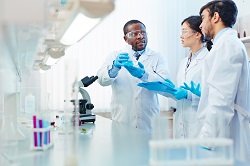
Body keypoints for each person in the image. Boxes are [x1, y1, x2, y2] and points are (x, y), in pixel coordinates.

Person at [191, 0, 250, 162]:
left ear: (215, 17)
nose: (201, 25)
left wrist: (206, 141)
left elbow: (221, 101)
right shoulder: (222, 45)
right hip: (222, 133)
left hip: (228, 135)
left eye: (203, 18)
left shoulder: (227, 45)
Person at [138, 16, 210, 138]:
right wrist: (164, 89)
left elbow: (213, 96)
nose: (181, 36)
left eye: (184, 31)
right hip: (181, 122)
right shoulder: (184, 62)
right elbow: (179, 93)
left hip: (200, 124)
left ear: (198, 34)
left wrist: (189, 95)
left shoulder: (209, 59)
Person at [97, 20, 170, 132]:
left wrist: (143, 75)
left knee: (146, 148)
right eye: (134, 34)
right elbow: (102, 80)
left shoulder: (157, 57)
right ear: (125, 39)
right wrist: (114, 68)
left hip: (148, 122)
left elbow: (165, 86)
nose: (140, 36)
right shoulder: (115, 56)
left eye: (143, 33)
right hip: (122, 120)